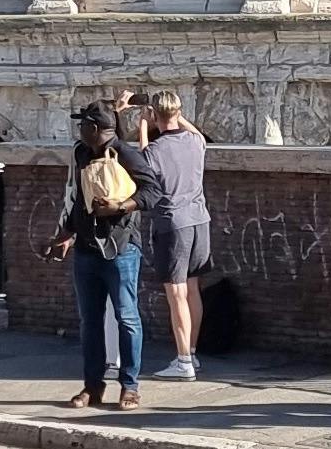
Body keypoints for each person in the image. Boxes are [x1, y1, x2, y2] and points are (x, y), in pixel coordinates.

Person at [48, 101, 144, 409]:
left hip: (121, 247)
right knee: (90, 321)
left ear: (95, 128)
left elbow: (154, 190)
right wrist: (65, 234)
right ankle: (92, 385)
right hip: (87, 249)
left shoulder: (127, 154)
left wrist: (120, 207)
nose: (79, 130)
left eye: (82, 125)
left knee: (126, 317)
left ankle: (129, 386)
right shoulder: (80, 153)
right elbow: (74, 198)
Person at [138, 87, 210, 379]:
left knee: (176, 292)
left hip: (173, 223)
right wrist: (177, 117)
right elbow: (199, 135)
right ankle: (191, 354)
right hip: (199, 221)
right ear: (179, 113)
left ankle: (182, 363)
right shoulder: (195, 142)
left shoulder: (155, 150)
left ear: (156, 115)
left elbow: (142, 162)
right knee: (192, 288)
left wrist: (143, 124)